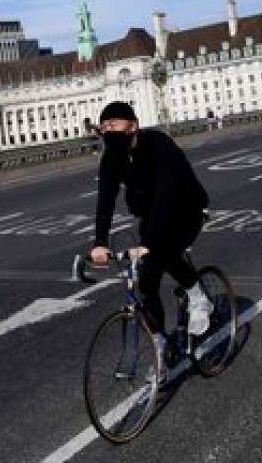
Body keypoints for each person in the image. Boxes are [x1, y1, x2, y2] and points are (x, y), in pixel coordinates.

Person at [90, 101, 212, 374]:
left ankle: (198, 296)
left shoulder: (158, 145)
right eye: (105, 127)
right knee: (146, 282)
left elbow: (168, 194)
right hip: (151, 214)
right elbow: (105, 200)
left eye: (114, 125)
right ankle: (159, 345)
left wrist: (149, 243)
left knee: (164, 249)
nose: (108, 131)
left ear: (133, 125)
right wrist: (99, 242)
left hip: (186, 208)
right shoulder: (113, 156)